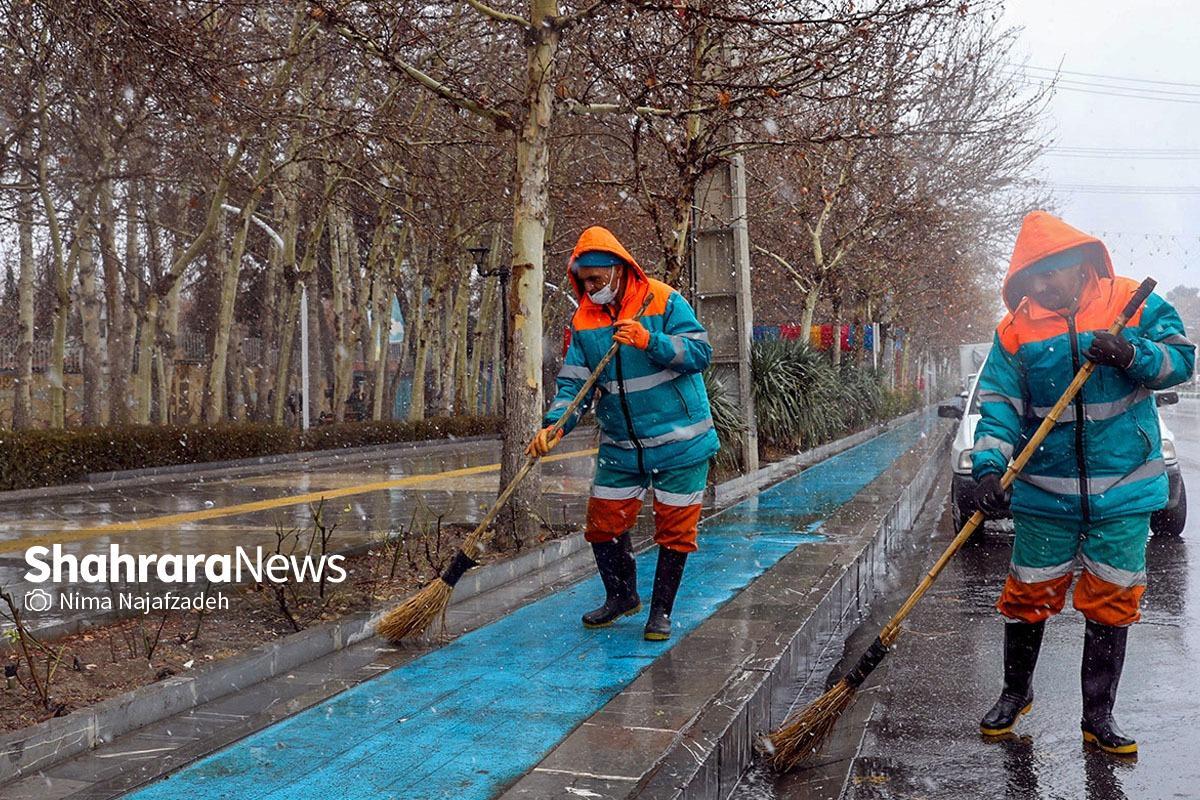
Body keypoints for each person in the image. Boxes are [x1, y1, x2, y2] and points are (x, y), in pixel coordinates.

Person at [972, 211, 1195, 755]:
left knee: (1111, 601)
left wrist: (1130, 354)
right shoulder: (1016, 330)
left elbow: (1182, 361)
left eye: (1047, 275)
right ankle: (1015, 692)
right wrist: (987, 469)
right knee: (1027, 596)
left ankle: (1098, 717)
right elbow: (1000, 408)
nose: (1039, 287)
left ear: (1076, 264)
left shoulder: (1130, 303)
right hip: (1045, 494)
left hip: (1123, 490)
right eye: (1029, 280)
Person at [526, 225, 719, 641]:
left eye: (595, 279)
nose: (589, 287)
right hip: (621, 445)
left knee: (675, 527)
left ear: (617, 270)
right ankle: (622, 595)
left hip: (680, 441)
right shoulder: (584, 320)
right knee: (602, 524)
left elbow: (701, 352)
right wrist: (554, 426)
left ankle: (661, 611)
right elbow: (575, 383)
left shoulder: (663, 299)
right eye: (583, 281)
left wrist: (652, 341)